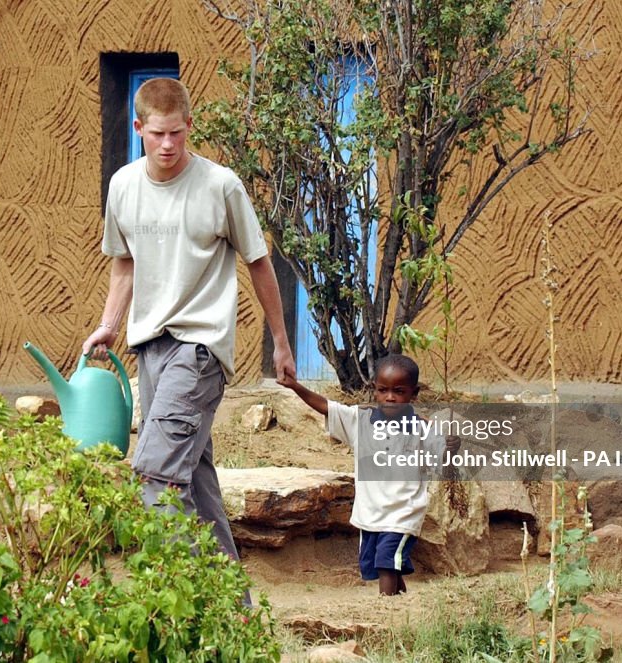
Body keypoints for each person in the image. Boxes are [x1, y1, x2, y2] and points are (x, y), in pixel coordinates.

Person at [83, 78, 296, 574]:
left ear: (189, 127)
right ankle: (233, 616)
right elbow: (124, 264)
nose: (168, 144)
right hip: (150, 348)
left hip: (200, 349)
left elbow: (259, 262)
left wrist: (281, 344)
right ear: (138, 127)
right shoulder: (123, 186)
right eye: (157, 134)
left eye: (177, 133)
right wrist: (109, 325)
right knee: (195, 483)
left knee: (155, 473)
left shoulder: (220, 185)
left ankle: (189, 605)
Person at [278, 355, 460, 595]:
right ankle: (401, 601)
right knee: (386, 565)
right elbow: (327, 406)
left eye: (399, 391)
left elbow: (444, 466)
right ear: (374, 390)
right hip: (370, 513)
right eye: (383, 390)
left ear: (413, 394)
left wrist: (450, 449)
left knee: (386, 562)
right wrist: (295, 386)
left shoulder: (423, 430)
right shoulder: (360, 420)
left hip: (403, 512)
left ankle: (385, 609)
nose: (390, 397)